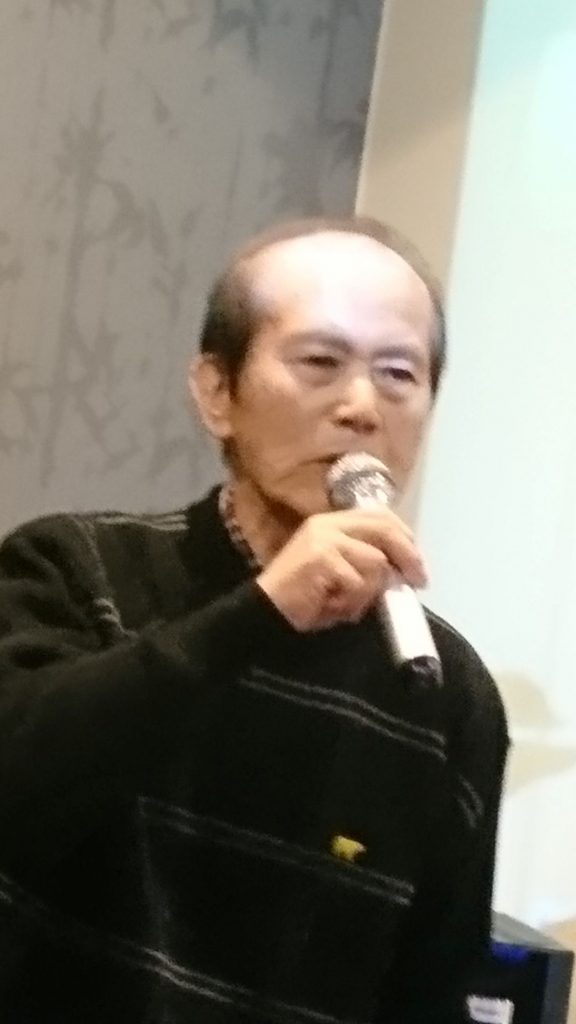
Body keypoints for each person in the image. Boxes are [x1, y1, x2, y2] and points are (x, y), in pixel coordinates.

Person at [0, 215, 509, 1023]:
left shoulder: (449, 693)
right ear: (217, 393)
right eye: (320, 362)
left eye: (398, 374)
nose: (361, 407)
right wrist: (263, 611)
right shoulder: (75, 568)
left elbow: (432, 987)